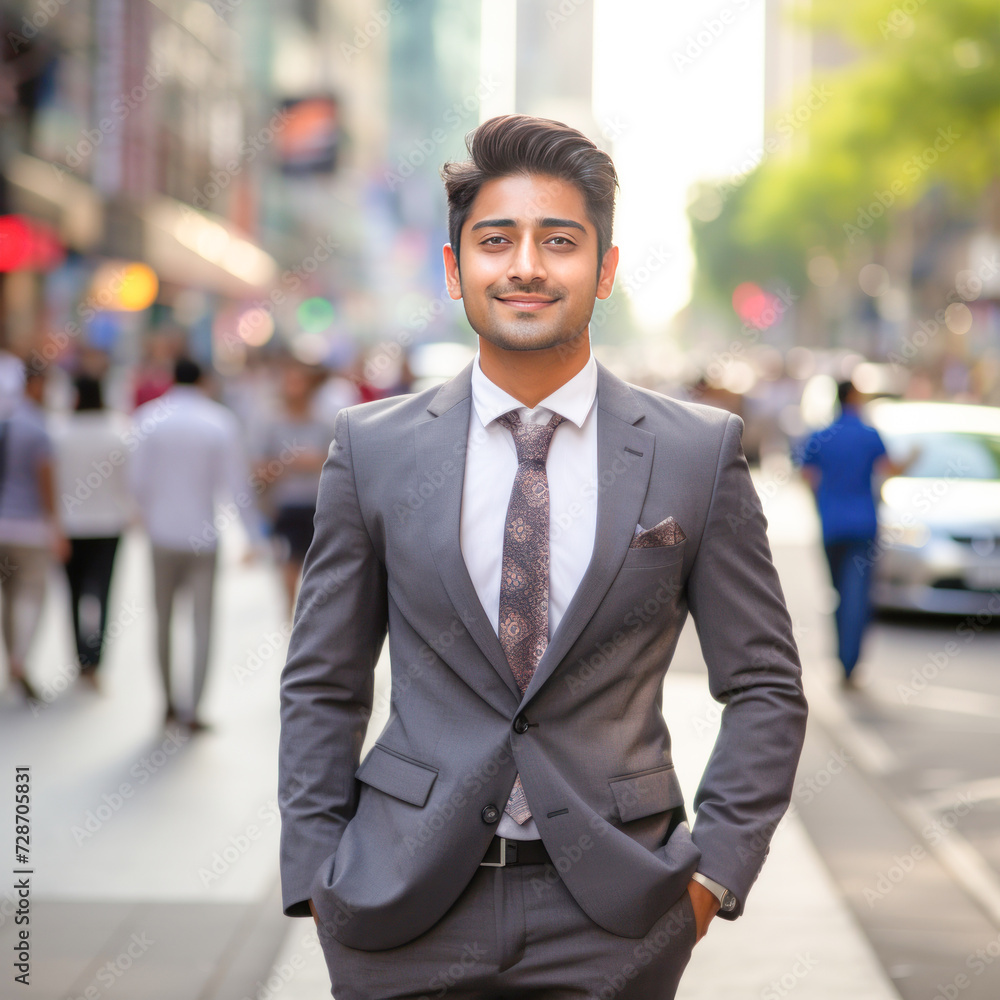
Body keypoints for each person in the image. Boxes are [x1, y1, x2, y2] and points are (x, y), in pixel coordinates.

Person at [278, 115, 808, 1000]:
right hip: (400, 905)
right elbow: (323, 681)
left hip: (617, 916)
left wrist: (711, 877)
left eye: (558, 241)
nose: (526, 265)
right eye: (496, 241)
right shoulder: (374, 448)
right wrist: (315, 874)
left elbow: (764, 684)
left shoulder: (695, 452)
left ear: (602, 270)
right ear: (456, 272)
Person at [130, 357, 262, 731]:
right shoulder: (218, 421)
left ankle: (167, 702)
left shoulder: (148, 419)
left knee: (162, 620)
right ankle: (195, 708)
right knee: (203, 623)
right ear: (203, 380)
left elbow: (136, 481)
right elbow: (237, 485)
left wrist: (147, 514)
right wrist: (252, 536)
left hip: (161, 536)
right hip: (203, 537)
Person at [798, 378, 912, 687]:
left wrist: (823, 501)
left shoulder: (821, 436)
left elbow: (806, 475)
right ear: (855, 397)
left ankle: (842, 658)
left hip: (832, 525)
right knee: (857, 596)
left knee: (839, 593)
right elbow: (891, 468)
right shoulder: (868, 435)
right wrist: (914, 457)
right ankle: (849, 663)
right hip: (863, 526)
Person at [52, 374, 132, 686]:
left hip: (71, 525)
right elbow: (129, 480)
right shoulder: (118, 430)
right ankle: (96, 660)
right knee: (103, 591)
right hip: (109, 524)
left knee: (72, 594)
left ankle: (80, 658)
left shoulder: (60, 432)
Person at [0, 367, 68, 700]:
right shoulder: (39, 429)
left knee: (8, 599)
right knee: (30, 597)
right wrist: (55, 527)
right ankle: (19, 658)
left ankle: (13, 659)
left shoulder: (7, 423)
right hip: (29, 527)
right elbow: (47, 483)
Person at [254, 362, 333, 619]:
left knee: (316, 568)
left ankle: (310, 620)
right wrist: (288, 464)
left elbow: (336, 463)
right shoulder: (271, 423)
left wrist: (311, 462)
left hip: (317, 506)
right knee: (288, 565)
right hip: (284, 506)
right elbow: (258, 468)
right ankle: (291, 621)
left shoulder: (323, 423)